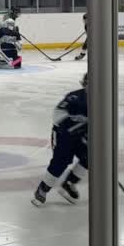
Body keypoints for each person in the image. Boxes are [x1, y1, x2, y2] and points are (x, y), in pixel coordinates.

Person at [32, 72, 88, 206]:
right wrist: (73, 124)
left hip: (82, 136)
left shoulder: (103, 100)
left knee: (91, 157)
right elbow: (58, 114)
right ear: (85, 84)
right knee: (60, 162)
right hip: (64, 135)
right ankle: (43, 188)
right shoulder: (74, 97)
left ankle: (69, 183)